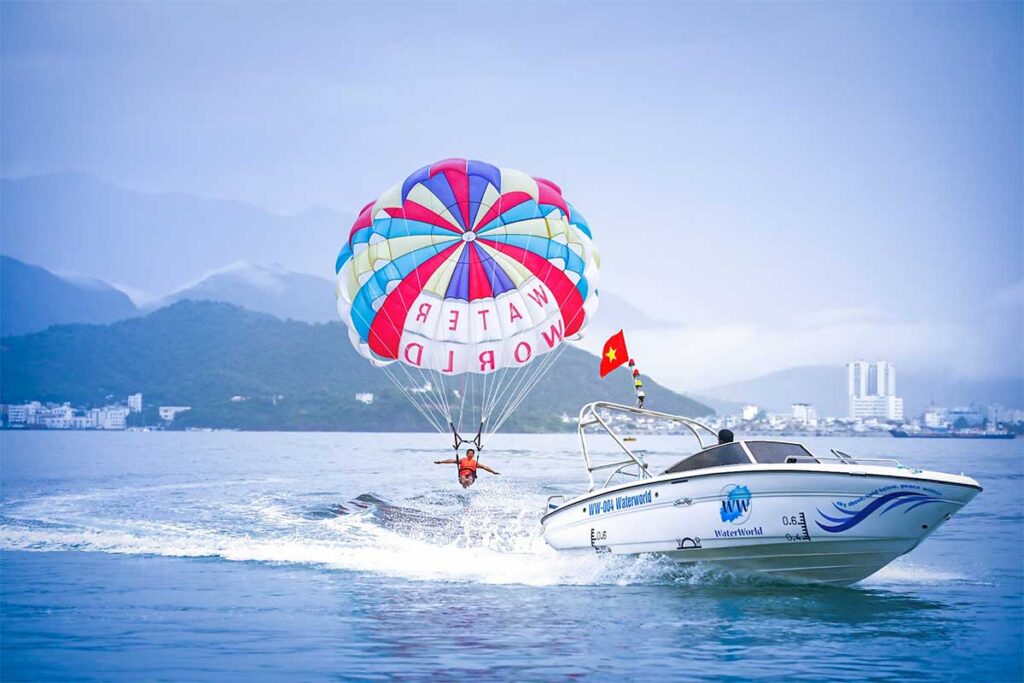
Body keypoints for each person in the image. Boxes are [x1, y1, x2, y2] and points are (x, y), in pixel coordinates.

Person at [434, 448, 499, 488]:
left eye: (471, 453)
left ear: (473, 455)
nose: (470, 454)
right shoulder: (462, 460)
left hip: (471, 475)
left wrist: (493, 472)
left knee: (469, 478)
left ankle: (467, 483)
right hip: (463, 475)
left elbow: (485, 467)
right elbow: (452, 460)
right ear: (466, 454)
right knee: (463, 477)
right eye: (469, 453)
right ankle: (464, 483)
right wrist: (441, 462)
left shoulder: (475, 462)